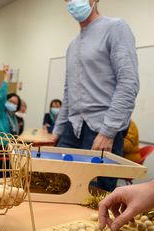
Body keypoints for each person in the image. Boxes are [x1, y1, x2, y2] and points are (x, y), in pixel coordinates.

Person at [52, 0, 139, 191]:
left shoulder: (115, 27)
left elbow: (128, 82)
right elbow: (69, 91)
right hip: (72, 127)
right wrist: (57, 132)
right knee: (60, 188)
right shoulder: (72, 46)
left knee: (95, 199)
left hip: (101, 129)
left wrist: (108, 132)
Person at [0, 65, 21, 135]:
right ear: (6, 101)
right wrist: (6, 77)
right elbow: (0, 98)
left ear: (17, 107)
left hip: (11, 144)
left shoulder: (14, 117)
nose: (12, 104)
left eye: (15, 103)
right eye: (10, 101)